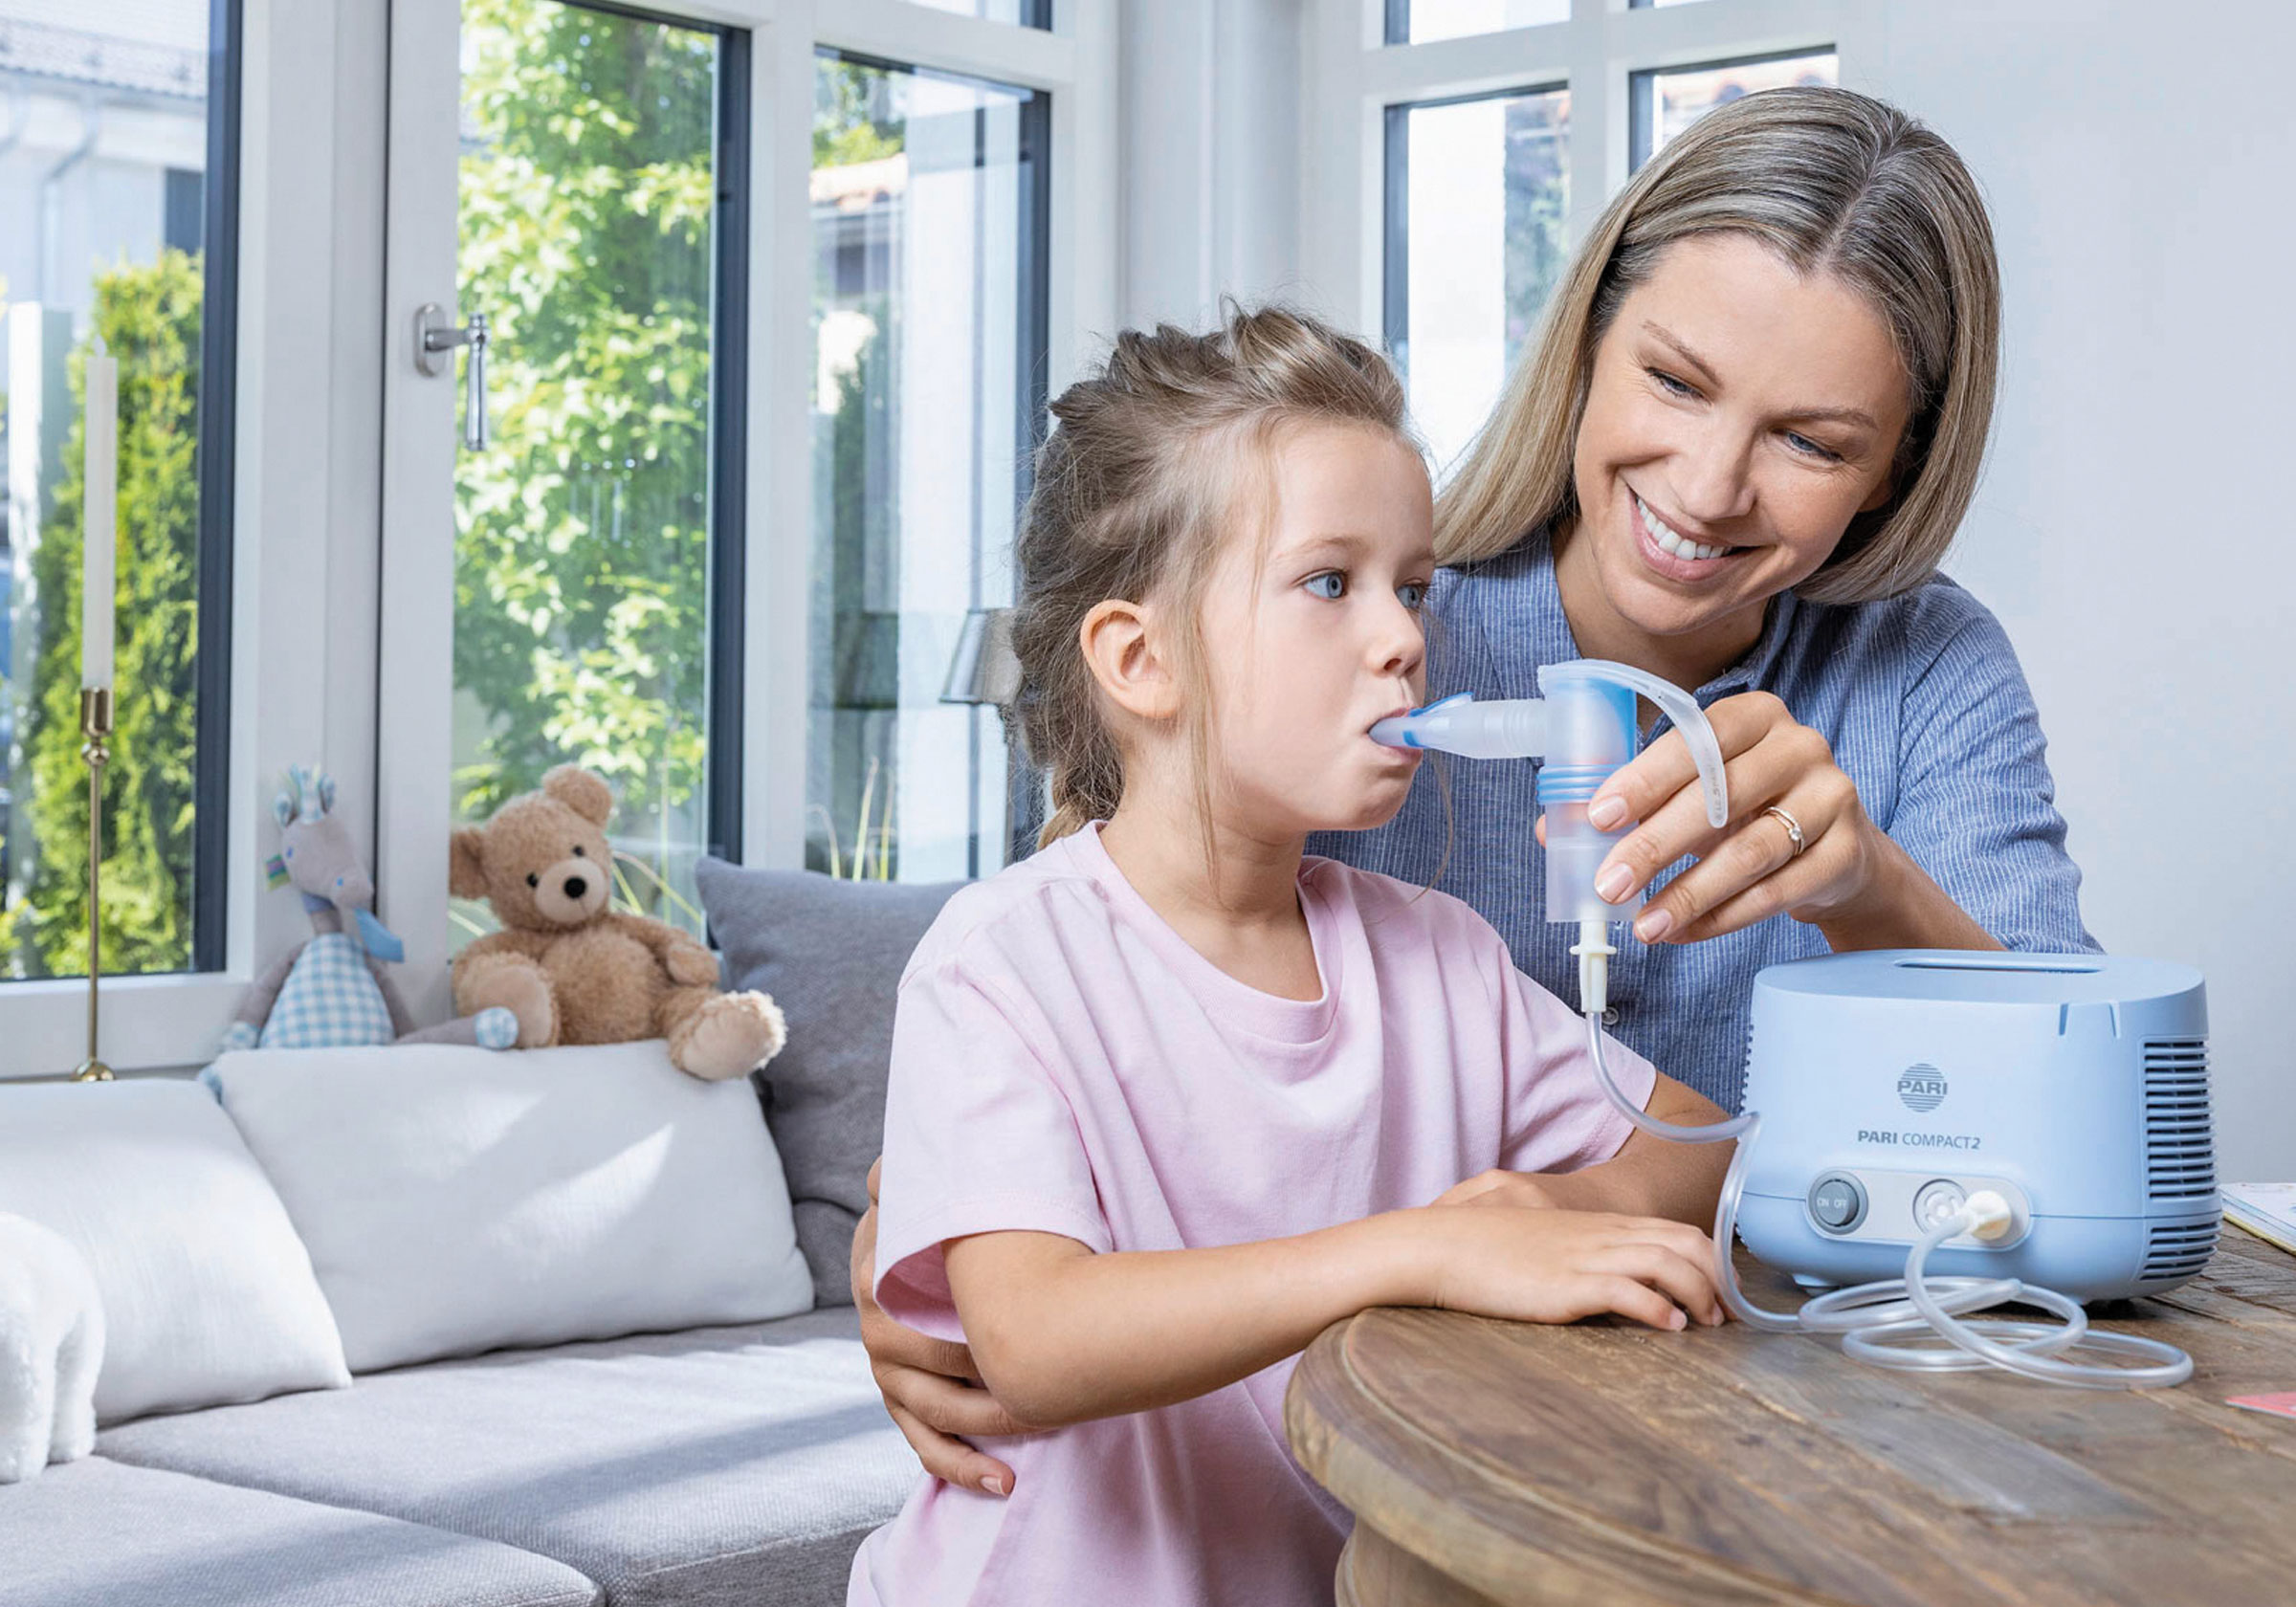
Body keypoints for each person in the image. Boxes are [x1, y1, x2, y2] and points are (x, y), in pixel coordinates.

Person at [854, 84, 2099, 1503]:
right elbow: (1122, 941)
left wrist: (1862, 890)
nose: (1706, 483)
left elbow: (2049, 1139)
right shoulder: (1378, 640)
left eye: (1812, 442)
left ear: (1893, 475)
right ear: (1582, 346)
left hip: (1793, 1440)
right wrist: (929, 1239)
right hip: (1422, 1477)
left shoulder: (1922, 674)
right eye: (1676, 382)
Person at [846, 305, 1733, 1607]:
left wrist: (1546, 1216)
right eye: (1332, 583)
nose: (1405, 638)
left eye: (1413, 586)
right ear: (1140, 659)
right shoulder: (1005, 963)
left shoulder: (1436, 959)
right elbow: (1036, 1339)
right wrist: (1424, 1251)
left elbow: (1703, 1145)